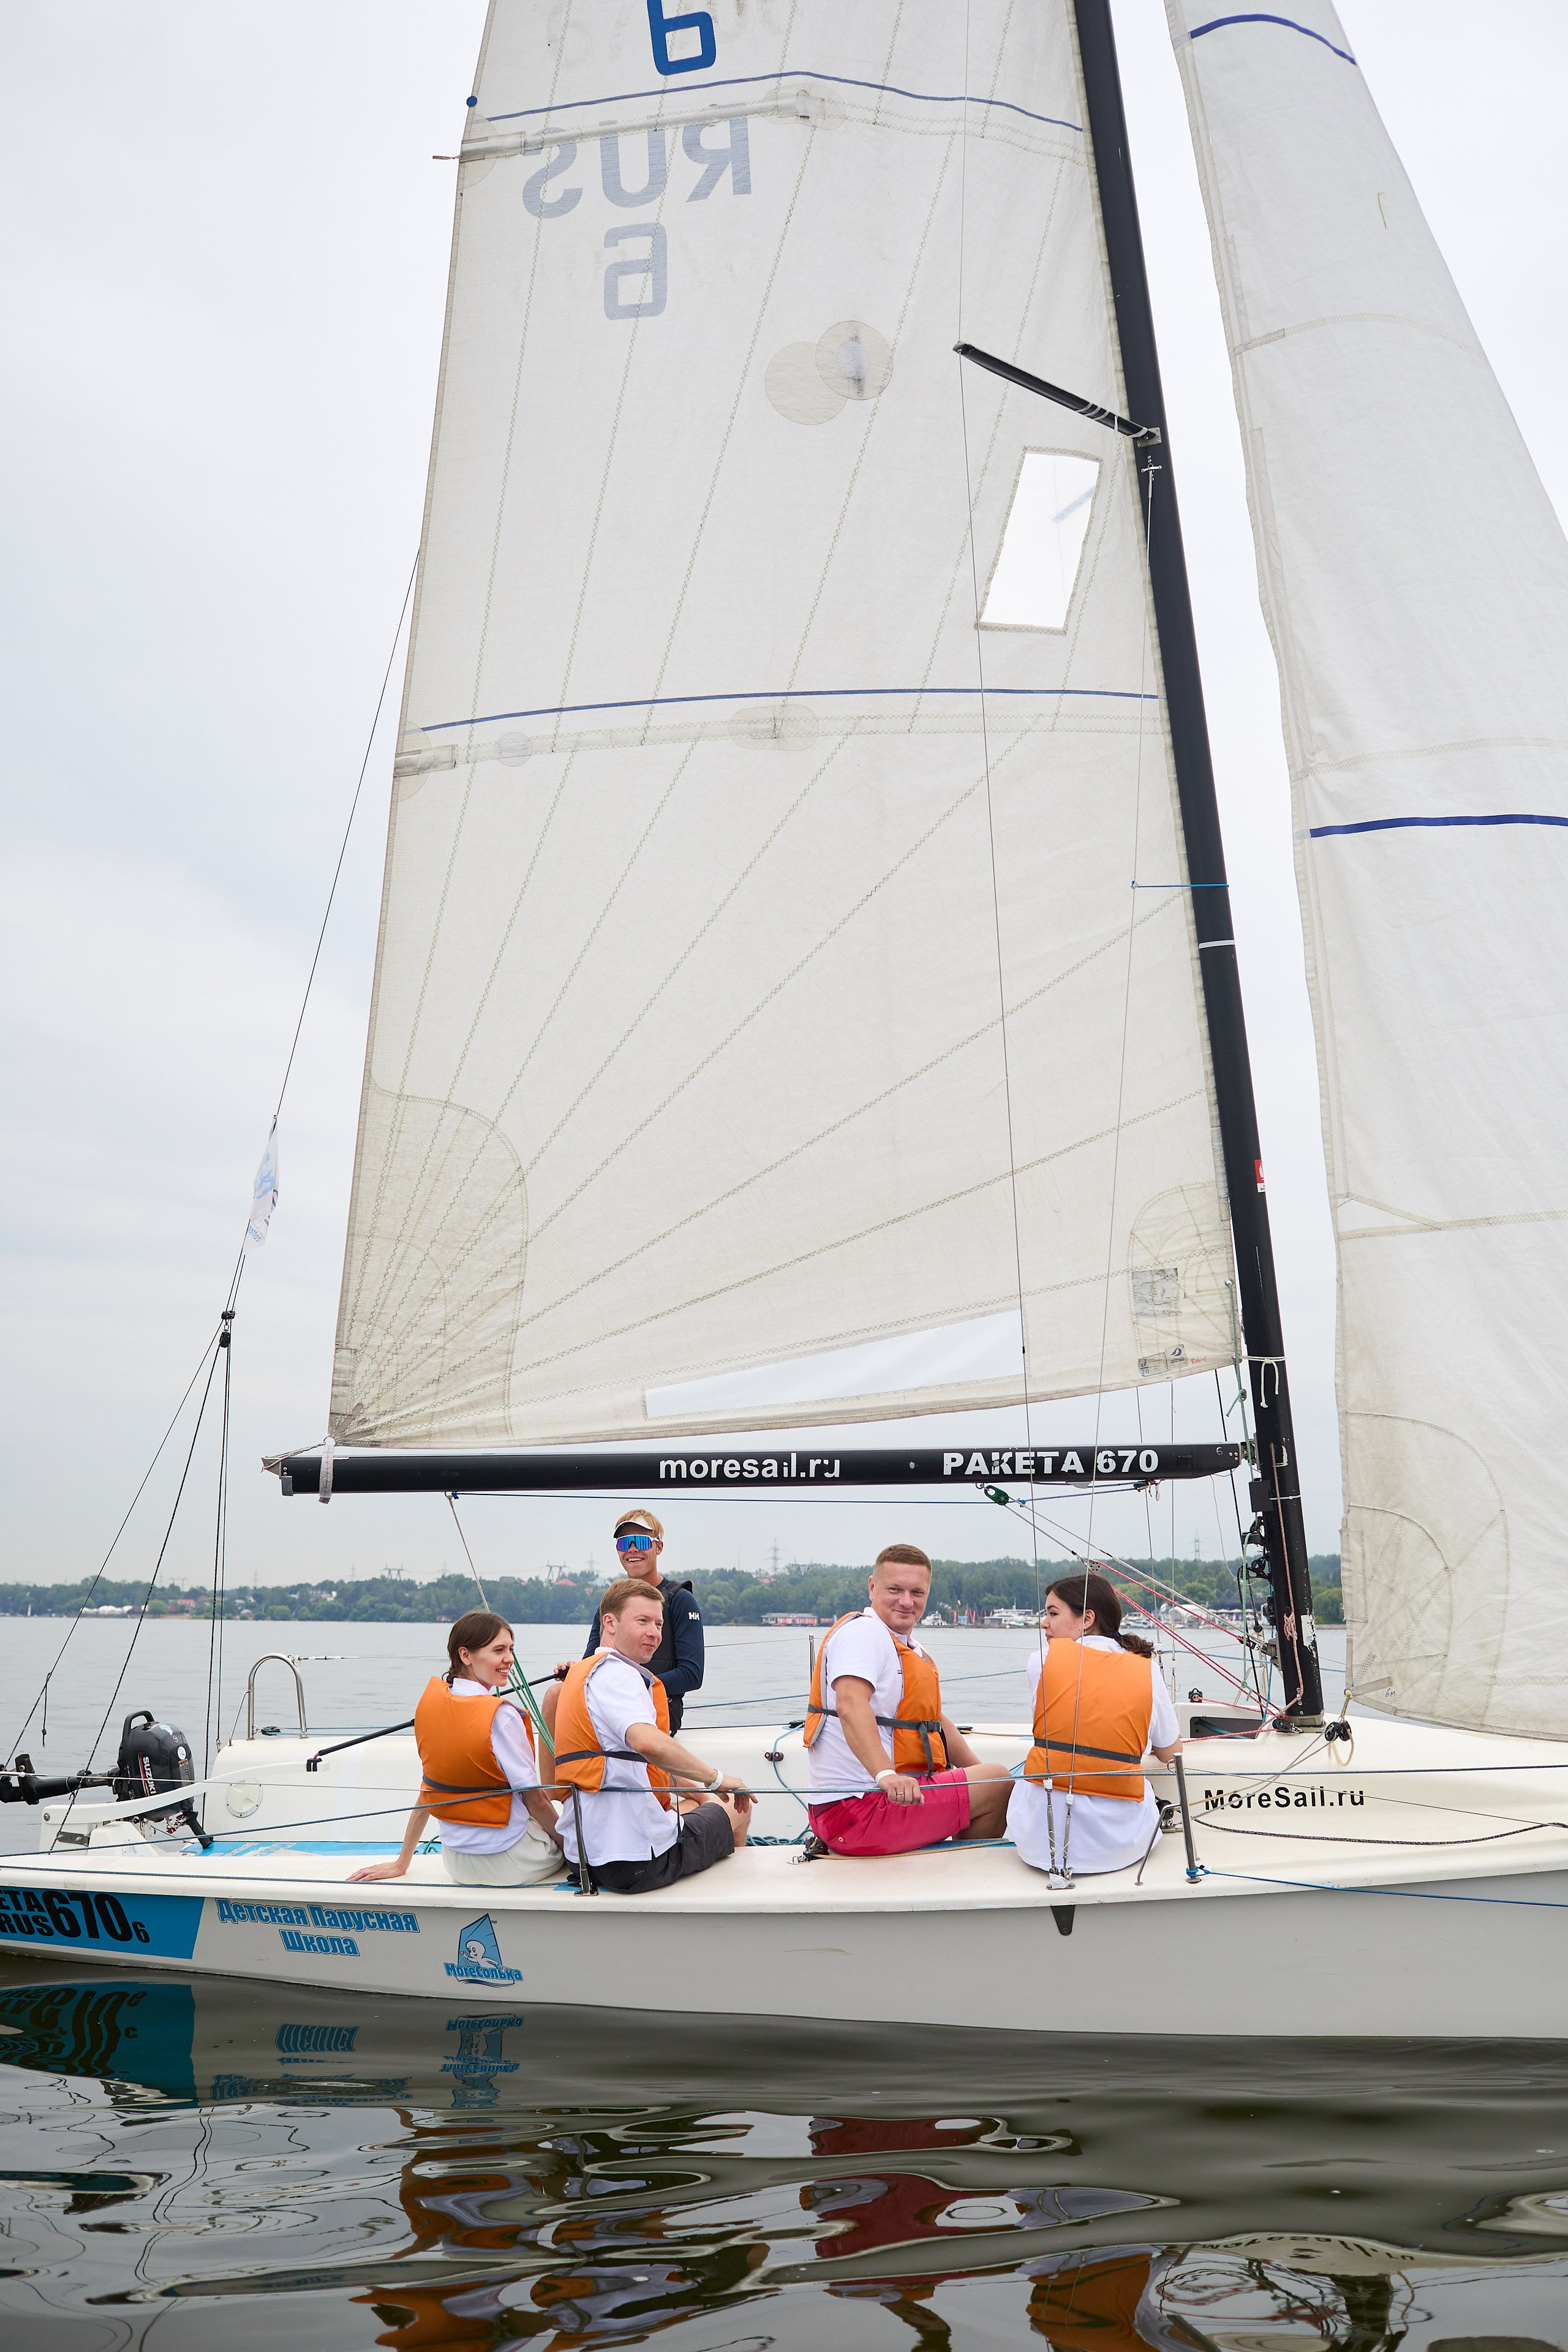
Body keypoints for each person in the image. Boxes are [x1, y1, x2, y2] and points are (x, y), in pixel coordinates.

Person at [804, 1543, 1012, 1855]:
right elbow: (849, 1703)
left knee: (991, 1780)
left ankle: (954, 1862)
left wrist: (977, 1775)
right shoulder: (865, 1635)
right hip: (858, 1812)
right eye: (895, 1589)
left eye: (918, 1593)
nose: (906, 1601)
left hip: (870, 1808)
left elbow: (933, 1722)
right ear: (872, 1587)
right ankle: (966, 1871)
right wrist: (886, 1774)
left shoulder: (906, 1645)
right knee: (998, 1781)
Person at [555, 1575, 751, 1893]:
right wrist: (715, 1780)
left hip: (585, 1857)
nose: (654, 1633)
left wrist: (701, 1794)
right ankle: (736, 1896)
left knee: (694, 1807)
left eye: (659, 1624)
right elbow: (647, 1742)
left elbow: (631, 1765)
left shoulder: (585, 1674)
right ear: (610, 1623)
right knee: (738, 1809)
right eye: (643, 1621)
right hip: (637, 1864)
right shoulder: (621, 1676)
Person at [349, 1610, 565, 1887]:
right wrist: (572, 1852)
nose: (509, 1659)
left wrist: (402, 1862)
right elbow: (536, 1801)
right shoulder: (502, 1716)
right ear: (466, 1655)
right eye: (499, 1650)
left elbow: (430, 1791)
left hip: (456, 1863)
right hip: (511, 1863)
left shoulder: (432, 1706)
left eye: (511, 1649)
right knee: (570, 1827)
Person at [1009, 1570, 1181, 1878]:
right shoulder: (1146, 1667)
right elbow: (1170, 1754)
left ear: (1087, 1618)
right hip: (1121, 1845)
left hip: (1040, 1843)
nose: (1044, 1623)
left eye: (1052, 1613)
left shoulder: (1041, 1661)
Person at [542, 1507, 704, 1742]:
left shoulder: (681, 1600)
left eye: (640, 1541)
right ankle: (555, 1780)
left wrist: (630, 1685)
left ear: (659, 1547)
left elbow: (692, 1675)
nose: (632, 1549)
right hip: (610, 1699)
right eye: (624, 1543)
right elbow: (592, 1662)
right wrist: (575, 1672)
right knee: (556, 1694)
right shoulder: (612, 1602)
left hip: (657, 1703)